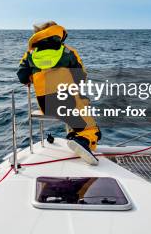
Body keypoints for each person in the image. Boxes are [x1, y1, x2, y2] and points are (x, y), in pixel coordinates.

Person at [17, 21, 101, 165]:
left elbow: (22, 76)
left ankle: (74, 136)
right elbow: (81, 76)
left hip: (46, 104)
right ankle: (83, 140)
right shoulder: (68, 51)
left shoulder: (30, 55)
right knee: (91, 126)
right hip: (68, 100)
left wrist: (33, 75)